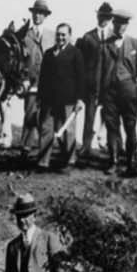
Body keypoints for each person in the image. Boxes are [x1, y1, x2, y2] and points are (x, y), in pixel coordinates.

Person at [101, 8, 137, 177]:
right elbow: (100, 69)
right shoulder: (105, 45)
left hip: (129, 93)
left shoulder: (135, 44)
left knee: (130, 126)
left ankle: (131, 162)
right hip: (109, 93)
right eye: (118, 23)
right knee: (112, 127)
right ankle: (113, 161)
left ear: (127, 25)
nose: (121, 26)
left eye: (124, 23)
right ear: (113, 23)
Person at [35, 23, 85, 169]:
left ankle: (69, 161)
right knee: (46, 129)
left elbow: (81, 78)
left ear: (69, 36)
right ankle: (43, 161)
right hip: (49, 100)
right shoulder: (49, 53)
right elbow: (43, 78)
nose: (60, 37)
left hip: (68, 100)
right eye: (58, 34)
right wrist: (40, 97)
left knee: (68, 132)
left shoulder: (76, 53)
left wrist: (80, 99)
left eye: (63, 35)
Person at [11, 0, 51, 154]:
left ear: (45, 16)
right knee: (29, 114)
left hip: (47, 82)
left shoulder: (51, 35)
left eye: (41, 13)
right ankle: (26, 147)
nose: (37, 16)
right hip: (31, 81)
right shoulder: (24, 35)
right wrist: (25, 79)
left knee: (46, 116)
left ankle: (44, 148)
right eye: (35, 13)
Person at [76, 2, 115, 160]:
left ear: (110, 19)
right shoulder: (88, 37)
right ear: (97, 16)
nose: (104, 19)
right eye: (101, 16)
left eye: (107, 17)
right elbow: (82, 63)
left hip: (110, 84)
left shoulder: (115, 37)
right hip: (92, 84)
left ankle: (106, 145)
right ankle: (86, 146)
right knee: (89, 116)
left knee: (109, 115)